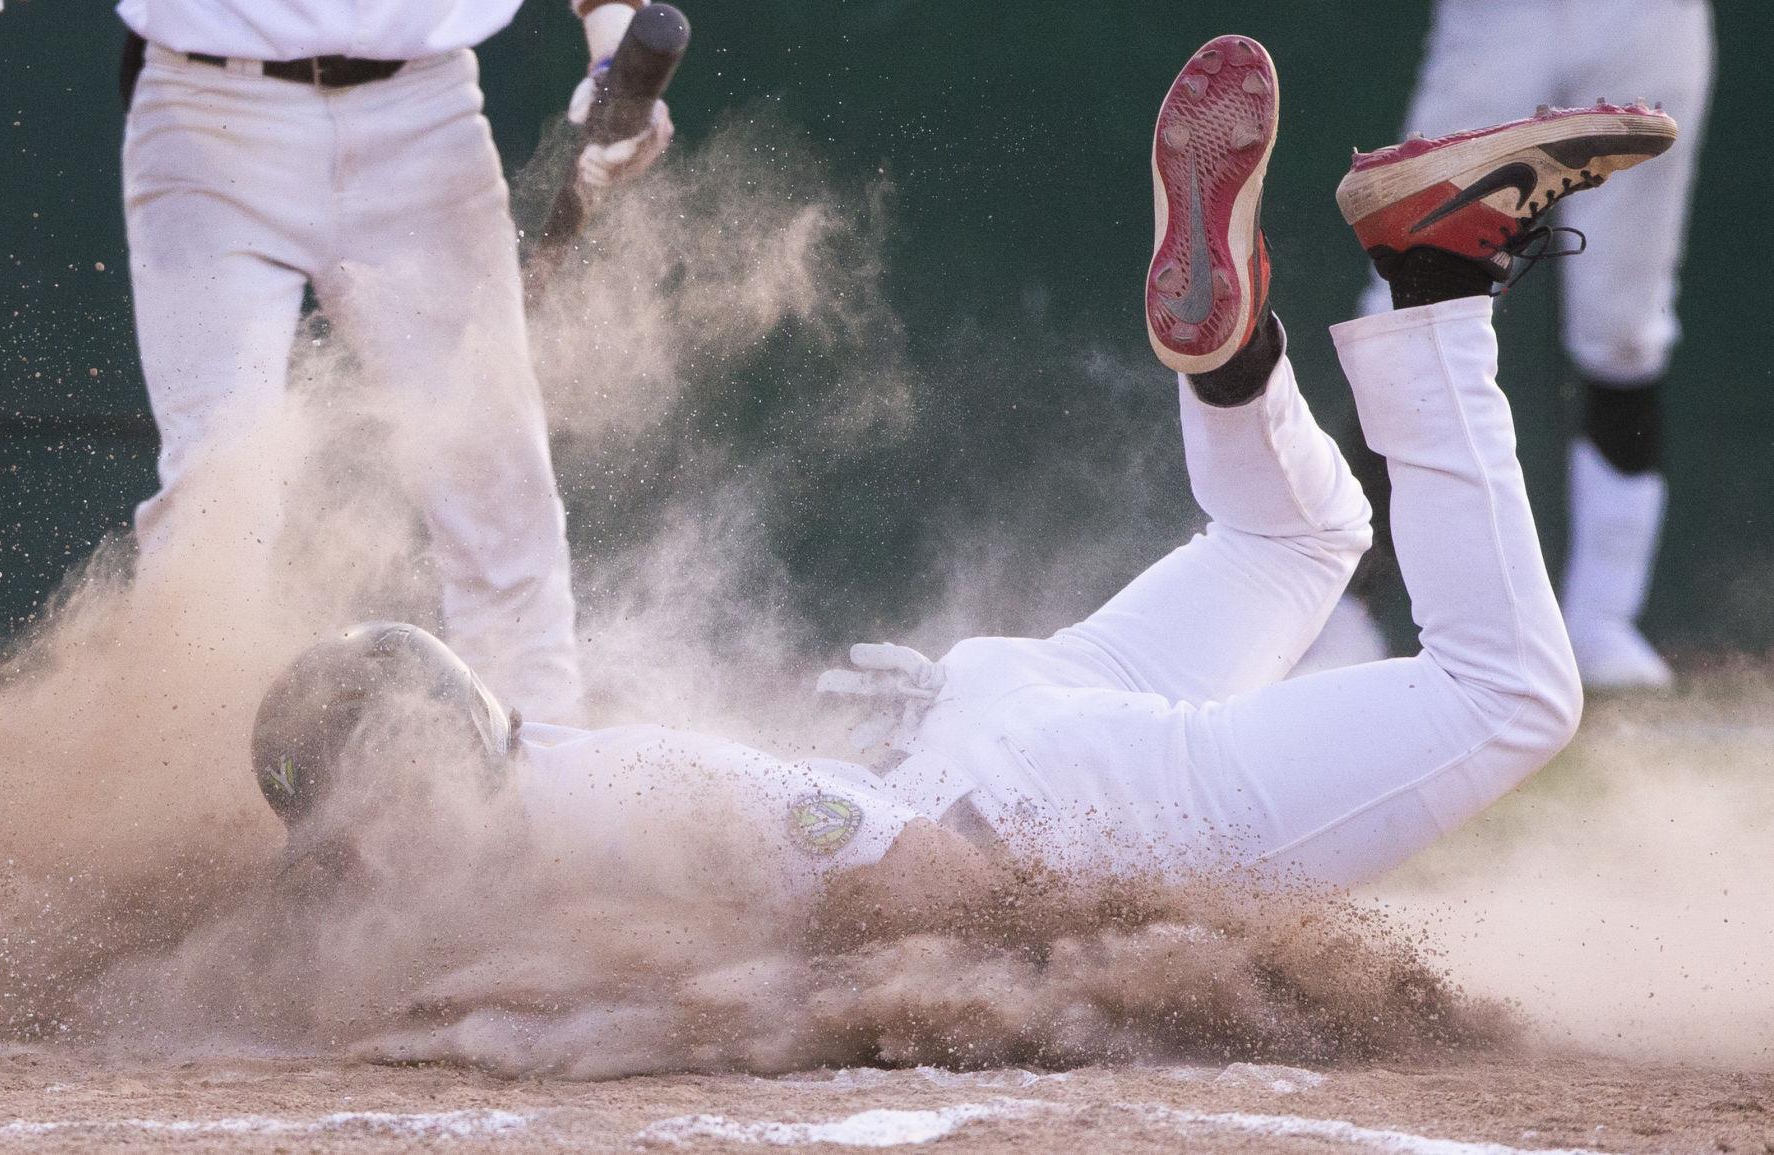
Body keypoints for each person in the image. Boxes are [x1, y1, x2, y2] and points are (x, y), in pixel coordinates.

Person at [251, 37, 1673, 893]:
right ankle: (1234, 371)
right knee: (1302, 538)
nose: (353, 855)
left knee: (1509, 694)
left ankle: (1431, 276)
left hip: (1071, 808)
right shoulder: (539, 796)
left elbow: (883, 855)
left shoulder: (561, 802)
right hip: (1015, 711)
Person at [0, 0, 677, 720]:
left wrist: (612, 32)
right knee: (218, 495)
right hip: (210, 113)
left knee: (498, 487)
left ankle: (536, 789)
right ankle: (178, 796)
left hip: (425, 113)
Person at [1309, 0, 1715, 691]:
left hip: (1649, 17)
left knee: (1626, 327)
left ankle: (1603, 618)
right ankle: (1343, 606)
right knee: (1411, 294)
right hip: (1500, 17)